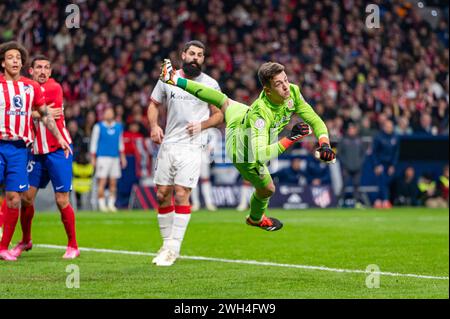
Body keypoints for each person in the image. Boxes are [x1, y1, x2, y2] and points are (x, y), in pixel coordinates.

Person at [159, 59, 335, 232]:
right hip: (242, 150)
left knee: (223, 100)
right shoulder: (261, 113)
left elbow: (315, 120)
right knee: (267, 189)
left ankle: (174, 79)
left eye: (286, 80)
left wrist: (324, 144)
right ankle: (256, 219)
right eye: (279, 84)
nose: (286, 87)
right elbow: (260, 156)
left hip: (241, 115)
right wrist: (291, 138)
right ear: (267, 90)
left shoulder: (293, 93)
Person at [147, 41, 223, 266]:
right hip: (169, 144)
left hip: (192, 146)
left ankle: (173, 248)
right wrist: (154, 126)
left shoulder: (210, 84)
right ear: (183, 55)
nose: (195, 58)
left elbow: (219, 114)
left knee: (181, 193)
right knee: (162, 194)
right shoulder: (168, 79)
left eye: (200, 55)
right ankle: (166, 244)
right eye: (192, 53)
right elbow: (153, 104)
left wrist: (203, 125)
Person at [0, 41, 71, 261]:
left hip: (21, 149)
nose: (15, 61)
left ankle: (3, 248)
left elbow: (46, 114)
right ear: (3, 62)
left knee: (14, 198)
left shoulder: (30, 87)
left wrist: (60, 138)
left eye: (18, 58)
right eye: (11, 57)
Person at [89, 106, 127, 212]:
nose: (108, 114)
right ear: (104, 114)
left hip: (115, 158)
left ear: (113, 114)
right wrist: (93, 158)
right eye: (107, 112)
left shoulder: (119, 127)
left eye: (110, 112)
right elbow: (94, 142)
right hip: (102, 157)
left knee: (113, 182)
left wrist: (122, 157)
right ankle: (101, 205)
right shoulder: (98, 126)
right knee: (102, 181)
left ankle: (111, 204)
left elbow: (120, 143)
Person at [372, 119, 399, 209]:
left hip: (389, 164)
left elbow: (396, 153)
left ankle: (378, 200)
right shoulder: (378, 137)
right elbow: (374, 152)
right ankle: (385, 201)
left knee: (386, 183)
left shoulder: (395, 137)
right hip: (381, 164)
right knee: (382, 182)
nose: (389, 128)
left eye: (390, 127)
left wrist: (393, 165)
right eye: (387, 127)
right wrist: (376, 165)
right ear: (384, 127)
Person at [338, 123, 366, 207]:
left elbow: (363, 154)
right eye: (350, 129)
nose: (351, 131)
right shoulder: (343, 140)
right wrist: (345, 163)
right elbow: (340, 154)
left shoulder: (359, 140)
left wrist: (359, 163)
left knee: (356, 185)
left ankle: (357, 202)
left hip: (357, 167)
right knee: (344, 185)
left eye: (353, 129)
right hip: (346, 167)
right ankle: (340, 202)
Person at [191, 128, 218, 212]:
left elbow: (214, 134)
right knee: (192, 180)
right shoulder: (190, 122)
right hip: (191, 154)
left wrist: (211, 146)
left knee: (205, 179)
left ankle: (209, 203)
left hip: (203, 154)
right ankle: (195, 203)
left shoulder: (206, 122)